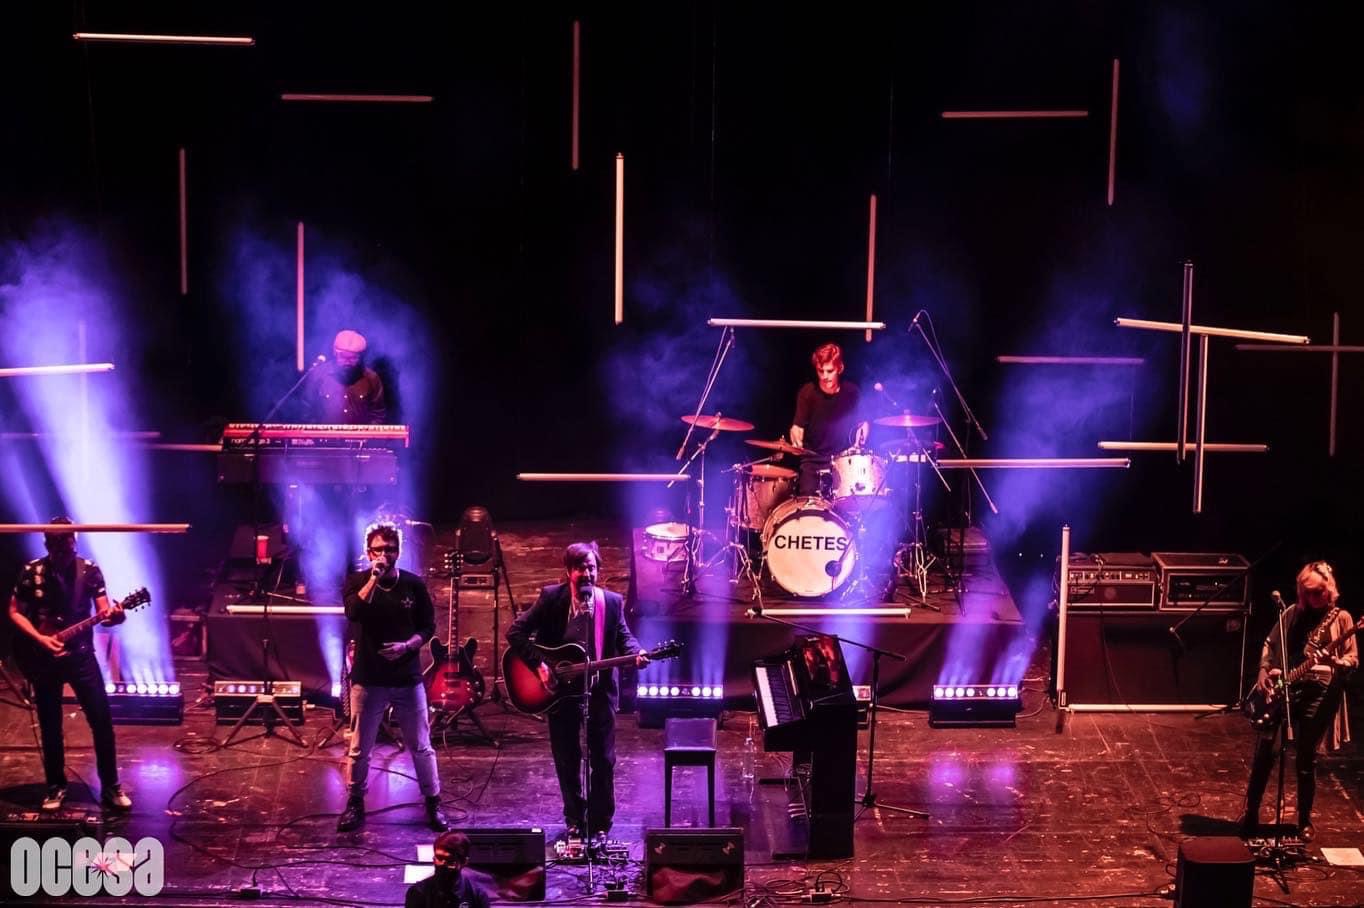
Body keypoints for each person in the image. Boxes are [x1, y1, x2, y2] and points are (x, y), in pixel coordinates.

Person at [506, 542, 650, 842]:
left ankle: (600, 825)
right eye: (580, 568)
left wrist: (636, 652)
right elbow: (515, 632)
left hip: (599, 691)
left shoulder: (611, 602)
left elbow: (624, 637)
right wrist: (540, 665)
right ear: (568, 571)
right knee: (567, 758)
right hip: (558, 692)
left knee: (604, 760)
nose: (587, 574)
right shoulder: (551, 598)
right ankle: (574, 819)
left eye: (591, 568)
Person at [7, 517, 132, 813]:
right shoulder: (32, 571)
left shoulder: (89, 571)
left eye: (67, 546)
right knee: (50, 724)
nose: (63, 553)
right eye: (56, 547)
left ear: (75, 542)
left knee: (101, 720)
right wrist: (40, 638)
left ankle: (111, 786)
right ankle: (55, 785)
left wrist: (116, 616)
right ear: (47, 544)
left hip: (81, 656)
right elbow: (14, 611)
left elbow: (104, 612)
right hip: (43, 657)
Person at [338, 522, 447, 832]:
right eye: (378, 550)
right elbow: (353, 612)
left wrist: (408, 646)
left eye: (390, 549)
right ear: (368, 552)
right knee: (360, 748)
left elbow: (428, 626)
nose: (384, 555)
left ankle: (433, 802)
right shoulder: (357, 582)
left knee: (422, 746)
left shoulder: (413, 585)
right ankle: (355, 803)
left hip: (406, 678)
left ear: (398, 551)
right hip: (368, 679)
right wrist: (373, 578)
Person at [1238, 560, 1356, 842]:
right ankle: (1251, 812)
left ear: (1329, 589)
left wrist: (1336, 661)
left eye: (1318, 592)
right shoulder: (1291, 613)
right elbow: (1270, 643)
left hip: (1320, 691)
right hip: (1287, 687)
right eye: (1307, 592)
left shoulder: (1342, 618)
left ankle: (1304, 820)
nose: (1312, 598)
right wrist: (1264, 669)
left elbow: (1352, 659)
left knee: (1306, 757)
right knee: (1267, 752)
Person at [788, 342, 870, 495]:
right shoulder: (807, 392)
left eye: (829, 371)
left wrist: (862, 436)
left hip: (843, 462)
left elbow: (863, 423)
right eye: (821, 371)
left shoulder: (852, 392)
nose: (825, 376)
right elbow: (797, 427)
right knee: (809, 505)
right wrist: (796, 438)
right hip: (812, 462)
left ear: (840, 368)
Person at [306, 328, 387, 425]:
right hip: (324, 433)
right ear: (335, 353)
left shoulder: (371, 378)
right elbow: (307, 410)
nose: (347, 362)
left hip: (360, 434)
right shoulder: (319, 374)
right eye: (343, 356)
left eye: (353, 358)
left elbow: (378, 415)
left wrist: (367, 432)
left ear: (361, 357)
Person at [405, 830, 491, 908]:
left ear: (464, 862)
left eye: (450, 861)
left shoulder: (477, 896)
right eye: (439, 858)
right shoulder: (418, 892)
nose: (442, 865)